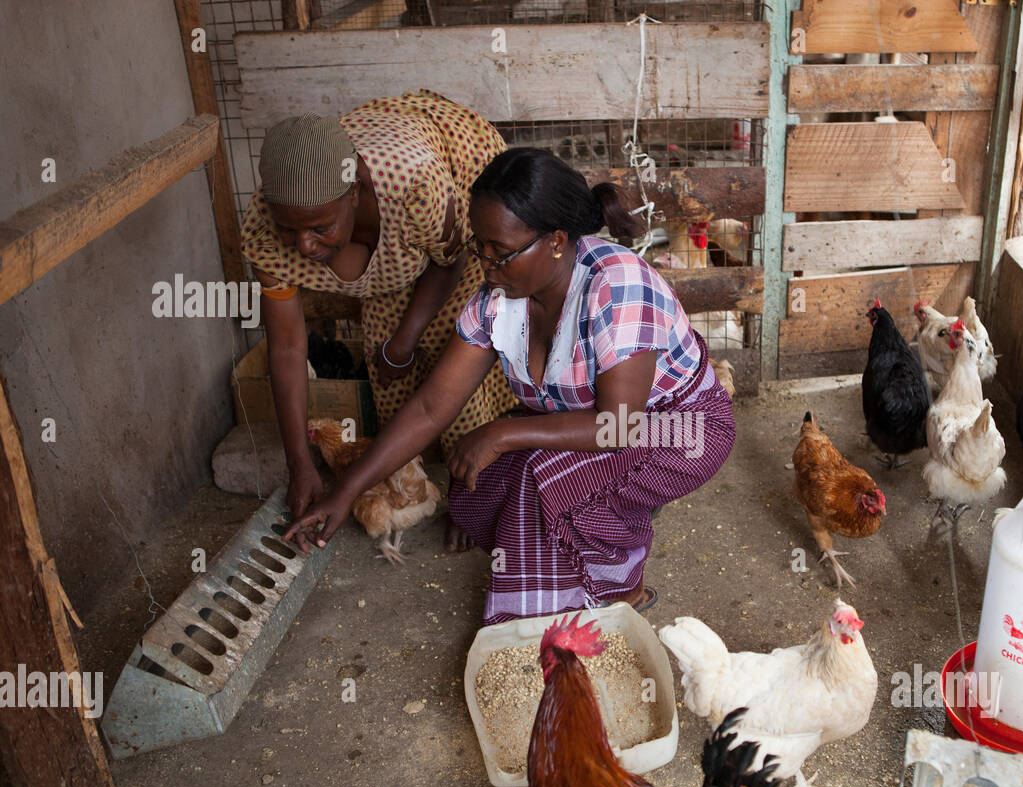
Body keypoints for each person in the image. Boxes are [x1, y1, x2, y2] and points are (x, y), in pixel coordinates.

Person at [284, 148, 736, 623]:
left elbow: (618, 426)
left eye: (501, 252)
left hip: (679, 430)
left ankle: (618, 590)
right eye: (480, 247)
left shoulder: (617, 285)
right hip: (589, 425)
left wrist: (502, 434)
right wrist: (346, 489)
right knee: (471, 482)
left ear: (557, 241)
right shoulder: (500, 298)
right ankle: (593, 514)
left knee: (538, 479)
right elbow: (430, 409)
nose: (485, 266)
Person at [241, 91, 517, 525]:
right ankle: (417, 476)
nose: (304, 246)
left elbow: (450, 264)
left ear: (353, 194)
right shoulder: (264, 226)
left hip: (459, 177)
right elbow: (289, 346)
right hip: (390, 221)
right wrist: (301, 465)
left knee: (454, 363)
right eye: (289, 230)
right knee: (387, 370)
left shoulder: (418, 189)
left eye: (320, 228)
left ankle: (472, 498)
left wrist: (405, 341)